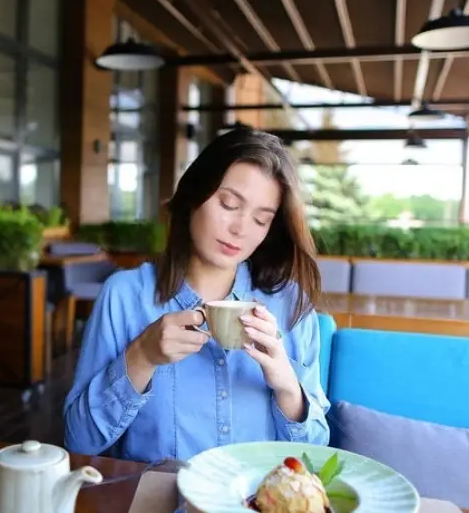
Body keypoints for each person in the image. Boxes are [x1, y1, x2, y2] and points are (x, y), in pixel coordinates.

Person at [63, 128, 329, 462]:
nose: (241, 229)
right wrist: (142, 356)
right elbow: (78, 441)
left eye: (261, 220)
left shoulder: (291, 305)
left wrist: (288, 387)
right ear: (192, 196)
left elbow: (314, 454)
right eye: (228, 204)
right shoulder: (125, 296)